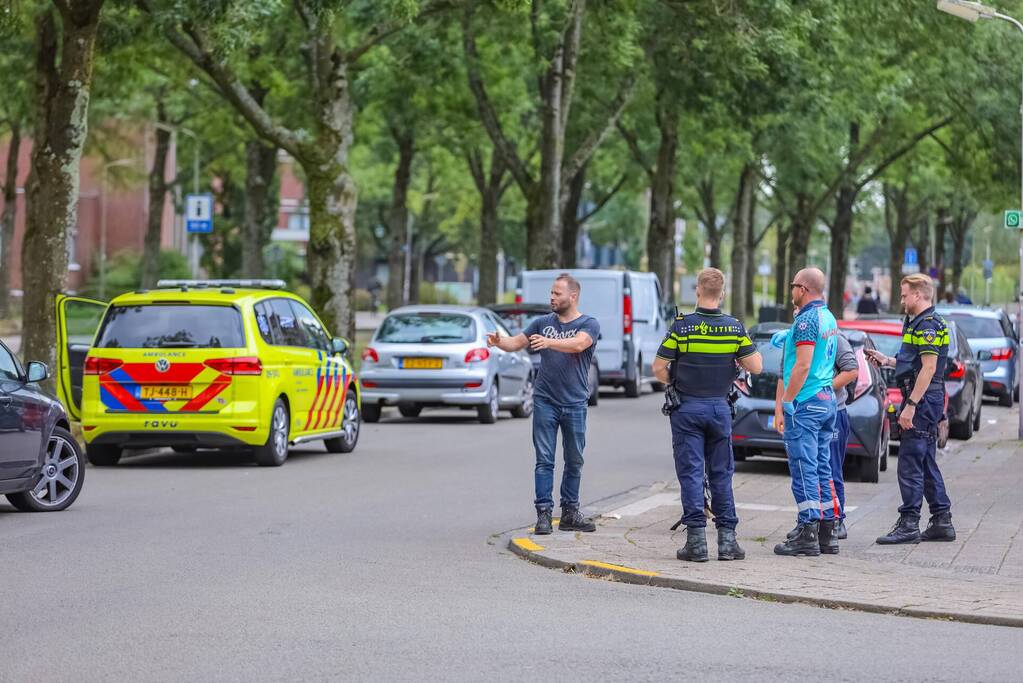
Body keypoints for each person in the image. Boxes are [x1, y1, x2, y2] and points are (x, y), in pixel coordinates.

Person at [652, 268, 763, 562]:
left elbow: (658, 367)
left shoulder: (681, 327)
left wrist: (675, 381)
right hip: (719, 409)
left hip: (687, 407)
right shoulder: (735, 327)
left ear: (698, 291)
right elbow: (756, 366)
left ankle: (697, 543)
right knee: (722, 474)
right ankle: (727, 542)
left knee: (690, 474)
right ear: (722, 293)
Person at [486, 273, 600, 535]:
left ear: (573, 296)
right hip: (545, 400)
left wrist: (550, 342)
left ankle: (570, 512)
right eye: (551, 293)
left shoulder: (589, 323)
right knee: (544, 460)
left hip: (574, 403)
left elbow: (579, 344)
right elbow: (516, 342)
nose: (552, 297)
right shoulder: (541, 322)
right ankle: (544, 514)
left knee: (574, 459)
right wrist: (499, 342)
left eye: (557, 293)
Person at [865, 273, 956, 544]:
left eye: (905, 295)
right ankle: (942, 520)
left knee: (910, 461)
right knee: (925, 459)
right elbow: (916, 362)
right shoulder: (919, 323)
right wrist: (888, 361)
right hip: (927, 398)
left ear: (918, 295)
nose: (902, 300)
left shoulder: (927, 325)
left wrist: (911, 406)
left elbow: (928, 369)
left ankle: (909, 524)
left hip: (923, 400)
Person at [773, 268, 841, 557]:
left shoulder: (807, 320)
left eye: (793, 286)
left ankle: (807, 531)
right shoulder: (828, 316)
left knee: (803, 467)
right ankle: (827, 531)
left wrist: (788, 400)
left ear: (802, 288)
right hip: (827, 399)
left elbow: (802, 365)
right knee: (823, 466)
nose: (791, 291)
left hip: (807, 401)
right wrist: (789, 335)